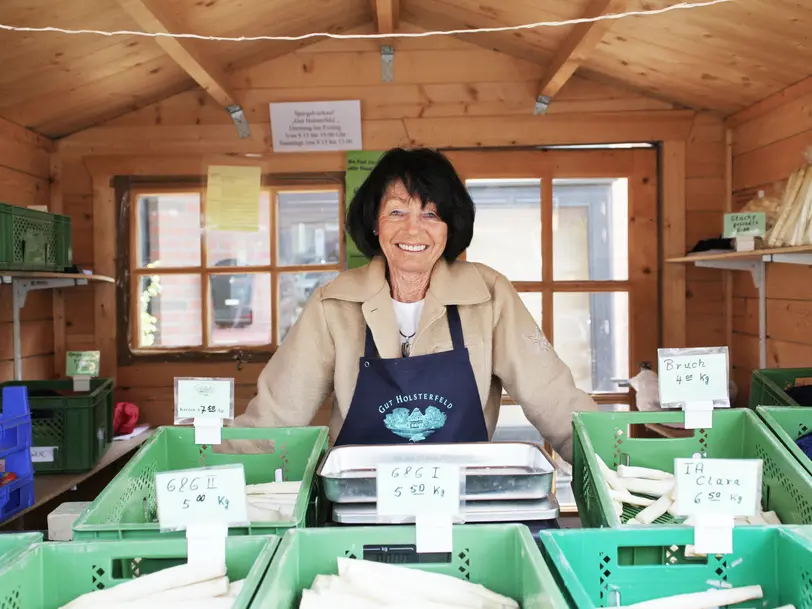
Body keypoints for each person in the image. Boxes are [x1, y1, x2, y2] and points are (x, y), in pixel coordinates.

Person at [229, 147, 597, 462]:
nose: (413, 230)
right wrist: (202, 464)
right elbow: (274, 421)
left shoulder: (488, 295)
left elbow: (556, 402)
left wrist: (611, 465)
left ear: (449, 226)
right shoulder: (334, 303)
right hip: (357, 509)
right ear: (375, 223)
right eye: (397, 212)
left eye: (431, 215)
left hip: (464, 508)